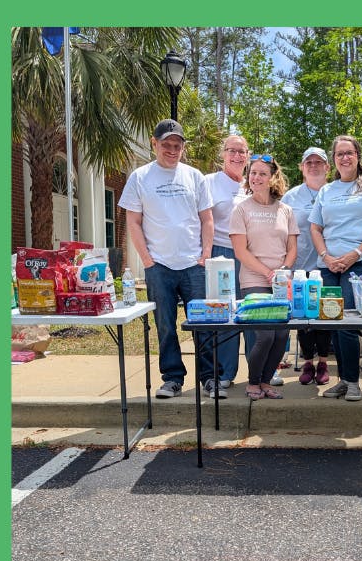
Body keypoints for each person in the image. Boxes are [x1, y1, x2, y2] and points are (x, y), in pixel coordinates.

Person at [120, 119, 216, 400]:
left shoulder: (194, 176)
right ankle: (173, 379)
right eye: (166, 145)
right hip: (159, 266)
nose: (172, 150)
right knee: (165, 325)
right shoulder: (140, 177)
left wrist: (205, 254)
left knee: (204, 323)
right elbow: (133, 222)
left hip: (193, 265)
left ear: (183, 147)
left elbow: (206, 219)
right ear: (154, 143)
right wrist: (148, 261)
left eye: (177, 145)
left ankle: (209, 378)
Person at [307, 135, 362, 401]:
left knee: (347, 322)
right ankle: (342, 380)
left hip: (361, 262)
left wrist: (355, 254)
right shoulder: (327, 190)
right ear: (334, 160)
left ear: (358, 156)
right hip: (329, 264)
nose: (345, 158)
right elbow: (315, 227)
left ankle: (353, 381)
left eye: (349, 153)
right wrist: (326, 256)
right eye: (340, 154)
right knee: (332, 321)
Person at [228, 154, 298, 400]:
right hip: (253, 280)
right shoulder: (241, 209)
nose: (256, 177)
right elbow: (240, 251)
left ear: (272, 178)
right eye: (253, 173)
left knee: (281, 335)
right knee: (266, 334)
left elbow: (292, 249)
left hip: (280, 283)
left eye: (262, 173)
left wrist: (283, 271)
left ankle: (267, 382)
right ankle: (253, 382)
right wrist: (267, 272)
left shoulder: (286, 210)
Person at [200, 135, 251, 397]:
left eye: (242, 152)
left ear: (248, 156)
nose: (237, 156)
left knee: (253, 312)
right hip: (220, 255)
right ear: (223, 153)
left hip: (251, 256)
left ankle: (261, 372)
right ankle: (225, 373)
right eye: (232, 151)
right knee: (225, 315)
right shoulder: (209, 182)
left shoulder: (253, 184)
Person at [282, 147, 335, 386]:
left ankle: (323, 362)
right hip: (300, 265)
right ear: (302, 168)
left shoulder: (336, 192)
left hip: (328, 263)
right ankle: (307, 362)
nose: (314, 165)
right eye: (309, 162)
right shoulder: (291, 197)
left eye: (319, 162)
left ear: (327, 167)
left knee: (323, 316)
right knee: (303, 316)